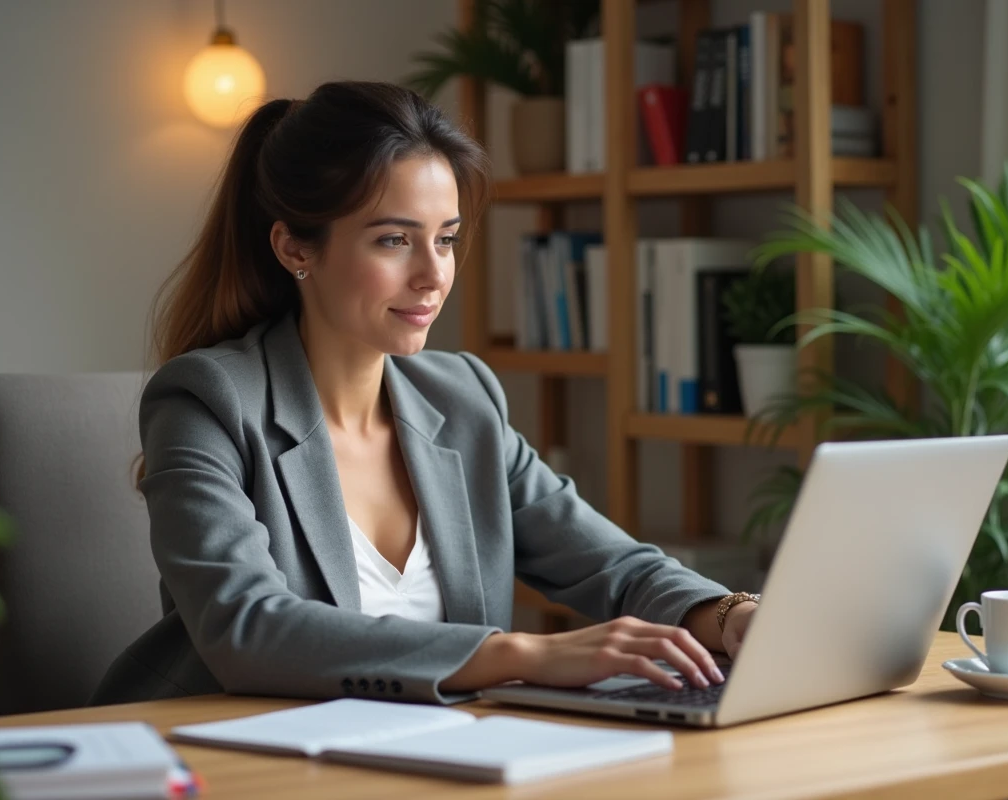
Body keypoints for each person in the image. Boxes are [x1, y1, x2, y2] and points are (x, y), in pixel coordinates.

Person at [90, 81, 758, 708]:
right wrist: (523, 654)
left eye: (446, 239)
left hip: (433, 755)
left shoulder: (463, 397)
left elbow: (613, 565)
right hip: (221, 753)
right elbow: (247, 630)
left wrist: (728, 615)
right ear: (295, 248)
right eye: (393, 240)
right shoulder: (206, 400)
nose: (434, 275)